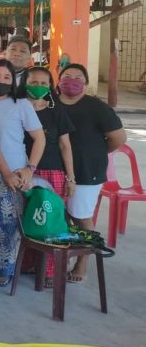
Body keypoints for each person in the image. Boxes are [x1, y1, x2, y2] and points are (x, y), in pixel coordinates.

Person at [0, 59, 45, 288]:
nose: (1, 80)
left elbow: (39, 138)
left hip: (12, 175)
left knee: (7, 224)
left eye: (6, 77)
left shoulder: (21, 105)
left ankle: (6, 268)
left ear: (13, 81)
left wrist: (29, 168)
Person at [57, 63, 126, 283]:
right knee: (59, 216)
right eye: (67, 76)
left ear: (85, 85)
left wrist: (96, 152)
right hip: (55, 170)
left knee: (80, 217)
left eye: (78, 78)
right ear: (58, 81)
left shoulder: (96, 107)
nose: (72, 81)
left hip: (86, 173)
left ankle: (82, 263)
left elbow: (118, 138)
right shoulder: (50, 103)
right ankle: (57, 259)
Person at [22, 66, 76, 285]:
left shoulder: (56, 112)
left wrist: (70, 178)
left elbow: (65, 146)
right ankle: (27, 264)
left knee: (51, 223)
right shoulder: (18, 109)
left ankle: (50, 272)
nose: (39, 87)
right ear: (24, 83)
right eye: (34, 82)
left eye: (44, 83)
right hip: (24, 174)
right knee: (27, 220)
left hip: (53, 173)